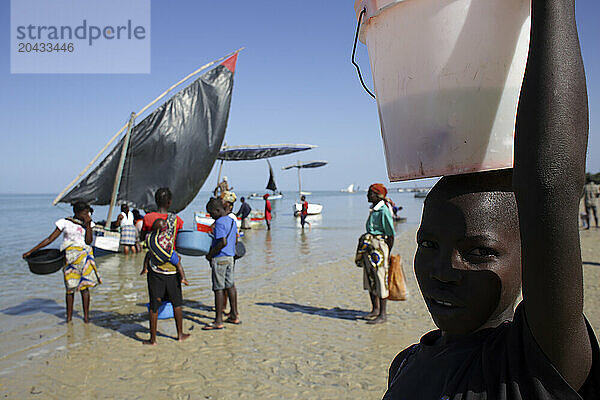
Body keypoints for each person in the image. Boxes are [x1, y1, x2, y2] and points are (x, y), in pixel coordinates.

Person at [384, 1, 599, 398]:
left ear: (530, 255)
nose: (443, 269)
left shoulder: (534, 365)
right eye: (428, 244)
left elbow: (550, 187)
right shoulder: (406, 363)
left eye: (479, 252)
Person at [23, 201, 101, 323]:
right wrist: (31, 251)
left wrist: (88, 225)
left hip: (85, 259)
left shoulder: (88, 224)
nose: (87, 215)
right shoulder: (64, 222)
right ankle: (69, 318)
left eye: (88, 213)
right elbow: (50, 239)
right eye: (84, 213)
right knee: (70, 289)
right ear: (76, 212)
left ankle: (86, 318)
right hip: (69, 259)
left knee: (84, 288)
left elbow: (88, 241)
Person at [141, 216, 190, 345]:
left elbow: (148, 253)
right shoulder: (176, 221)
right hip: (172, 273)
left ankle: (153, 339)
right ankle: (180, 334)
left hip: (155, 273)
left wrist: (145, 268)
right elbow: (181, 242)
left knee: (154, 306)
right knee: (177, 303)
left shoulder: (151, 236)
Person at [355, 184, 395, 324]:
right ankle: (375, 309)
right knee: (370, 278)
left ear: (377, 195)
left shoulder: (383, 211)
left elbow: (390, 235)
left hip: (379, 248)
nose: (367, 196)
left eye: (369, 193)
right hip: (370, 248)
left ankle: (383, 314)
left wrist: (387, 253)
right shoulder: (374, 209)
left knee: (380, 279)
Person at [204, 197, 240, 330]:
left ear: (218, 210)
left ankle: (218, 320)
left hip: (220, 258)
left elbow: (222, 242)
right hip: (230, 257)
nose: (211, 216)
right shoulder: (232, 221)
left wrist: (210, 254)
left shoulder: (219, 222)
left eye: (212, 213)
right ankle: (234, 314)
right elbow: (234, 240)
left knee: (218, 289)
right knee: (230, 286)